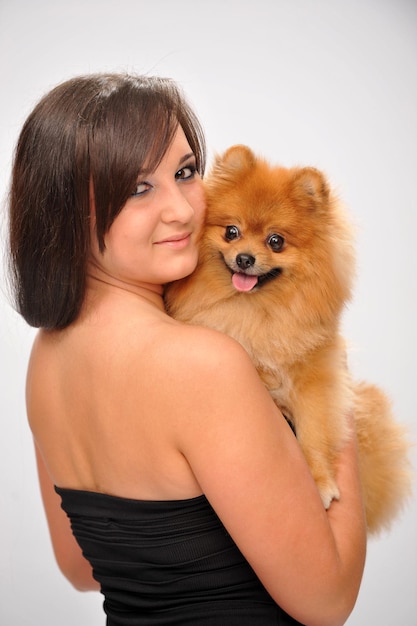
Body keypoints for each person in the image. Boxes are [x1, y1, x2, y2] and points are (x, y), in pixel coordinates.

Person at [8, 73, 366, 626]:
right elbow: (328, 601)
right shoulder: (203, 363)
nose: (181, 209)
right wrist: (331, 391)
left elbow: (82, 566)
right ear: (69, 213)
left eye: (184, 172)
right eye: (137, 188)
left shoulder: (47, 355)